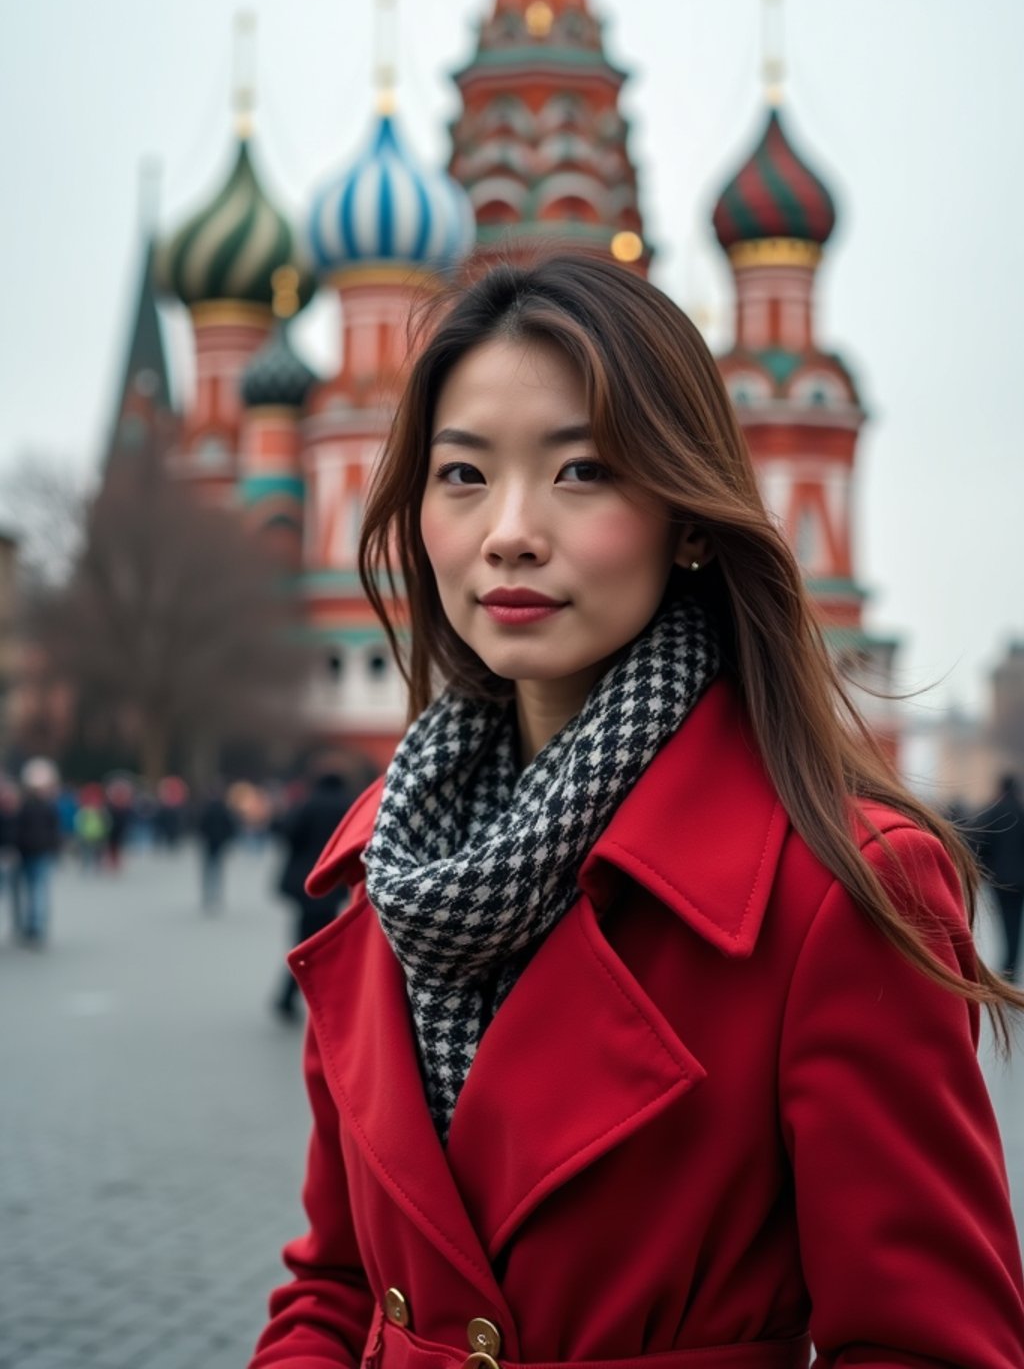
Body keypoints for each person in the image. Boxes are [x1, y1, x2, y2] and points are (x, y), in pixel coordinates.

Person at [250, 254, 1024, 1369]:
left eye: (582, 472)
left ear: (690, 517)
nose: (508, 530)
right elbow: (333, 1285)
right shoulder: (390, 865)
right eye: (462, 474)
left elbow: (926, 1346)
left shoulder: (833, 891)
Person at [272, 768, 355, 1021]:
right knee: (324, 944)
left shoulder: (308, 804)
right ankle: (324, 1002)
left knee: (306, 944)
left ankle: (290, 997)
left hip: (305, 884)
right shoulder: (347, 806)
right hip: (332, 884)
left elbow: (287, 833)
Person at [977, 773, 1024, 981]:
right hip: (1021, 879)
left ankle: (1008, 966)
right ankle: (1012, 964)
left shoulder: (994, 811)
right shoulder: (1021, 812)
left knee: (1005, 922)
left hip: (1001, 879)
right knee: (1016, 922)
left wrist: (988, 870)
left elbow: (982, 844)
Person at [12, 757, 61, 946]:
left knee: (31, 889)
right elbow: (54, 830)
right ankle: (37, 925)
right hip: (39, 850)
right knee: (38, 889)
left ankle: (31, 925)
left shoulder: (23, 806)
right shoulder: (48, 807)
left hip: (27, 851)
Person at [196, 786, 236, 912]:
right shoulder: (224, 809)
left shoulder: (206, 809)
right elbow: (230, 827)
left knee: (209, 871)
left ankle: (209, 895)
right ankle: (215, 895)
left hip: (210, 844)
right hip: (218, 843)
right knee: (217, 870)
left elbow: (200, 826)